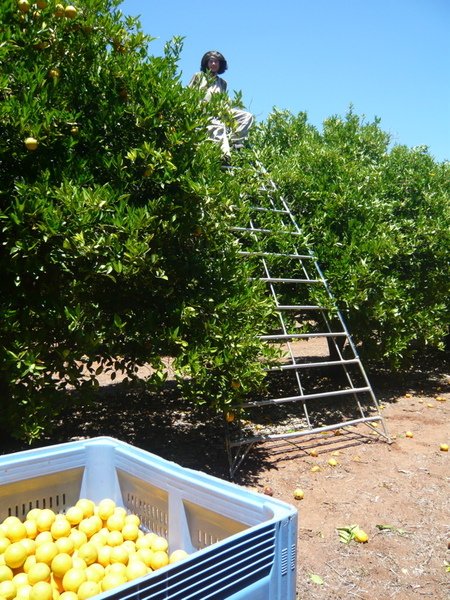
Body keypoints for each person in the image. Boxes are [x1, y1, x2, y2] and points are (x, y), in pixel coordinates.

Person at [189, 50, 254, 158]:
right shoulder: (199, 76)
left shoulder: (222, 83)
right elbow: (189, 94)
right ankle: (224, 156)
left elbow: (222, 99)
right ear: (206, 63)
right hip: (204, 112)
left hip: (221, 111)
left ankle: (236, 142)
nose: (213, 64)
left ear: (220, 64)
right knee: (218, 125)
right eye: (211, 61)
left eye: (216, 62)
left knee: (247, 117)